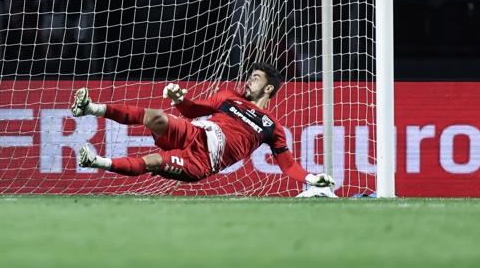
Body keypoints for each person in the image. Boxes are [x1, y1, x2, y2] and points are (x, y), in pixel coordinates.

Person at [70, 64, 334, 189]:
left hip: (201, 160)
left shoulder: (270, 125)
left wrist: (311, 178)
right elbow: (193, 110)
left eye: (255, 79)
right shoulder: (227, 97)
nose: (248, 81)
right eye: (250, 76)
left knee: (152, 161)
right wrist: (180, 100)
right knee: (155, 117)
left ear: (268, 88)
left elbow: (287, 164)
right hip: (196, 131)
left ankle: (96, 162)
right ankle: (91, 108)